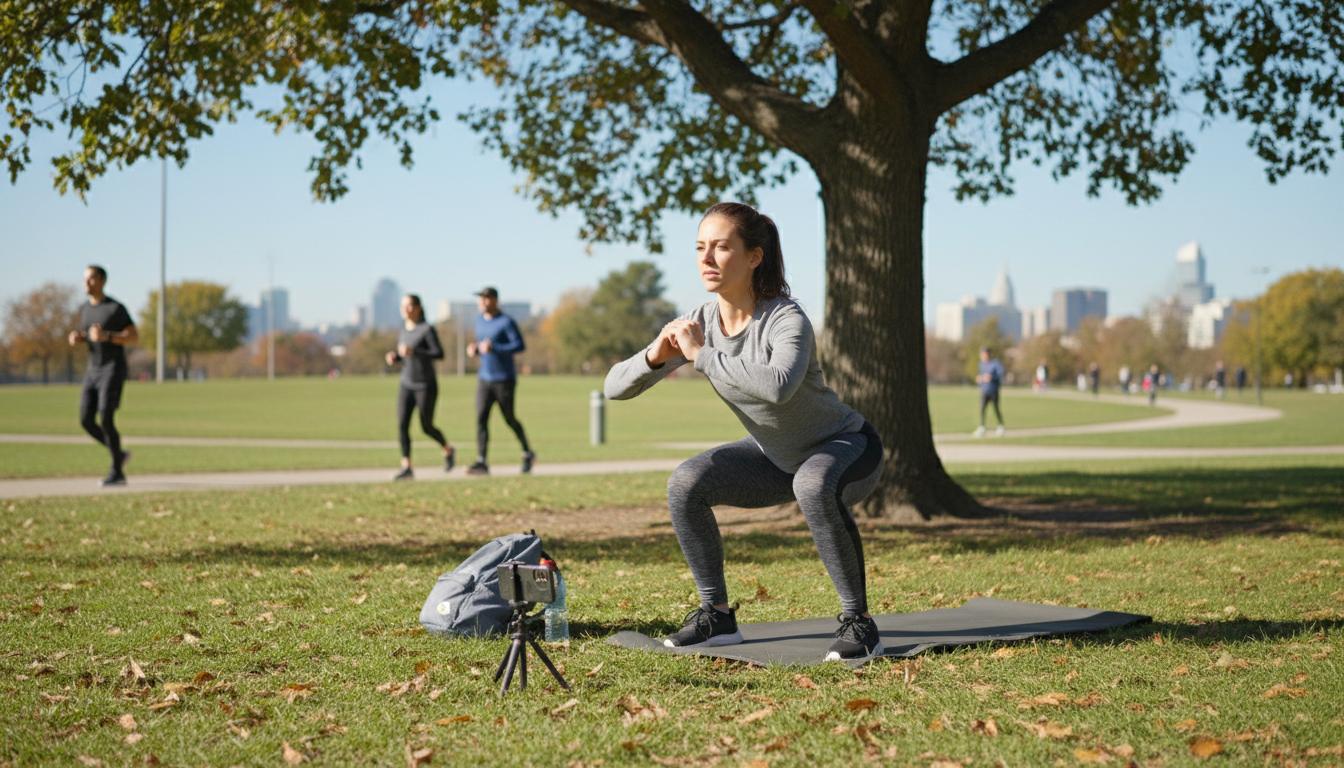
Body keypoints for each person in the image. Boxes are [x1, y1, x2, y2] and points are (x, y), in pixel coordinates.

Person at [605, 202, 886, 663]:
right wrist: (654, 356)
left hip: (846, 449)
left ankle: (860, 623)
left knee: (813, 484)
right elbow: (614, 387)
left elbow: (777, 387)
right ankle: (716, 615)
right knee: (686, 483)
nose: (706, 259)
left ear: (754, 257)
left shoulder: (785, 319)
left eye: (721, 247)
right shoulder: (700, 322)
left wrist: (701, 356)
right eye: (700, 248)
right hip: (775, 457)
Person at [67, 265, 138, 487]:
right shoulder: (85, 309)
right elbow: (89, 336)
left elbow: (133, 336)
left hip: (112, 369)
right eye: (84, 279)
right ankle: (119, 454)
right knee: (86, 420)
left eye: (90, 279)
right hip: (93, 369)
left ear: (101, 281)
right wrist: (79, 338)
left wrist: (107, 335)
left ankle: (117, 472)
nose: (86, 283)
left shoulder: (115, 308)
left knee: (106, 417)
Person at [385, 294, 456, 480]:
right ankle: (406, 465)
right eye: (403, 306)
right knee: (402, 424)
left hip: (425, 385)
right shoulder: (403, 330)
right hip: (406, 383)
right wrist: (396, 357)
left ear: (417, 308)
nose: (405, 309)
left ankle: (447, 449)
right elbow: (405, 355)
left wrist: (415, 351)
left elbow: (438, 353)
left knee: (426, 426)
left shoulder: (426, 329)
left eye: (409, 305)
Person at [465, 287, 534, 475]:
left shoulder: (506, 322)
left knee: (509, 418)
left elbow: (519, 345)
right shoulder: (479, 321)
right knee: (481, 418)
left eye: (486, 299)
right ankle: (481, 461)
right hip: (484, 378)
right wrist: (475, 349)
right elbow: (483, 345)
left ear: (495, 300)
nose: (482, 302)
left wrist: (495, 347)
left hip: (504, 379)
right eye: (480, 299)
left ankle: (527, 452)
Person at [974, 347, 1005, 437]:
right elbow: (981, 375)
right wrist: (979, 379)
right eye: (982, 354)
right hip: (984, 390)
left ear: (989, 354)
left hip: (993, 390)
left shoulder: (995, 364)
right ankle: (982, 427)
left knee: (996, 408)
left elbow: (1000, 374)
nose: (983, 356)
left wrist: (992, 377)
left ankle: (1000, 425)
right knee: (982, 409)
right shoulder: (981, 364)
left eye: (985, 354)